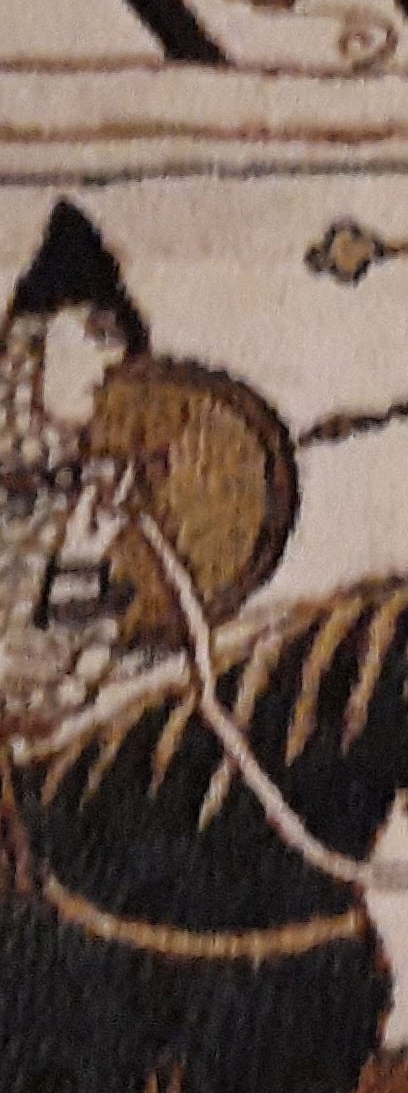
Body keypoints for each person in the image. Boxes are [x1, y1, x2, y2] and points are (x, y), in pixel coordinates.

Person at [0, 203, 173, 740]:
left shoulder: (102, 497)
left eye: (122, 343)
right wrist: (76, 571)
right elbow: (19, 700)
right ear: (31, 336)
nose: (113, 360)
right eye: (97, 332)